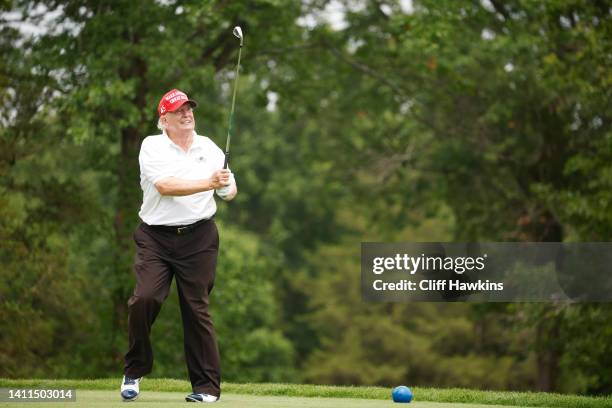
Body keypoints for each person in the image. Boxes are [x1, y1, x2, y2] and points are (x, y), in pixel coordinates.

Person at [120, 89, 237, 403]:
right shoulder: (152, 146)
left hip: (199, 238)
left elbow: (228, 192)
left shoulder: (209, 147)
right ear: (164, 119)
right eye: (178, 111)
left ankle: (206, 388)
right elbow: (165, 186)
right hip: (155, 238)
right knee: (145, 298)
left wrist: (225, 186)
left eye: (189, 109)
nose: (186, 114)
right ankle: (134, 369)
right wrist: (210, 183)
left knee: (196, 308)